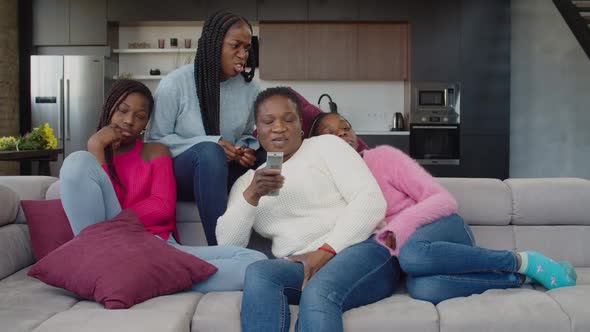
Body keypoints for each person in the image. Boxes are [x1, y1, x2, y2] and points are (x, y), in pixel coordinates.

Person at [309, 112, 577, 304]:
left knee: (412, 254)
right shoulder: (329, 186)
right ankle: (521, 278)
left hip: (441, 229)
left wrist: (395, 229)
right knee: (425, 289)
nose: (342, 134)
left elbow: (442, 199)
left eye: (345, 127)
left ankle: (522, 260)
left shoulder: (383, 158)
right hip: (405, 257)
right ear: (318, 145)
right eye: (330, 133)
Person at [216, 87, 400, 332]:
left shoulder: (326, 146)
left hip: (363, 250)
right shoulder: (246, 183)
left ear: (301, 125)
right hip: (301, 265)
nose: (279, 127)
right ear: (257, 130)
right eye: (268, 121)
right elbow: (229, 245)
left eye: (288, 119)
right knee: (260, 272)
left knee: (318, 291)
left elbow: (371, 201)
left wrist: (325, 252)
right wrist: (252, 195)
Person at [59, 79, 266, 293]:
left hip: (156, 249)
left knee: (254, 261)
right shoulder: (90, 163)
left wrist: (115, 219)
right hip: (107, 248)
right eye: (122, 110)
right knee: (77, 161)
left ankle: (136, 277)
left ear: (146, 124)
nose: (129, 121)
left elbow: (161, 207)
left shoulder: (155, 151)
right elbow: (93, 216)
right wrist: (96, 148)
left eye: (140, 117)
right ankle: (123, 272)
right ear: (109, 107)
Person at [146, 11, 262, 246]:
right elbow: (154, 141)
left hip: (223, 169)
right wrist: (211, 143)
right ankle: (221, 248)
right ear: (214, 45)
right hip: (184, 173)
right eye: (235, 46)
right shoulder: (176, 83)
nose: (243, 55)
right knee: (209, 153)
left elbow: (246, 133)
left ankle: (281, 245)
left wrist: (243, 148)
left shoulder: (250, 89)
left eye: (247, 48)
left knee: (270, 155)